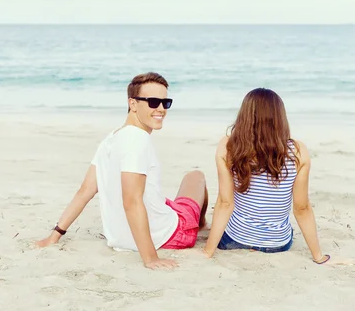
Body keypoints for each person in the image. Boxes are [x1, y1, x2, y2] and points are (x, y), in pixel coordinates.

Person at [35, 72, 208, 270]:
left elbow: (85, 192)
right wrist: (151, 258)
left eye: (165, 103)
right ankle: (199, 224)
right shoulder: (138, 140)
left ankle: (196, 222)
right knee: (196, 176)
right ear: (133, 104)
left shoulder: (111, 139)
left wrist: (54, 235)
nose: (161, 109)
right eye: (153, 102)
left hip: (120, 239)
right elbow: (132, 201)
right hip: (170, 235)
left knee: (165, 199)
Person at [203, 88, 332, 264]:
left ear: (245, 117)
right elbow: (302, 208)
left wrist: (208, 251)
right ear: (280, 118)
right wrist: (318, 256)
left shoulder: (228, 147)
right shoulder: (298, 151)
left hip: (234, 239)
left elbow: (225, 203)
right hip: (277, 244)